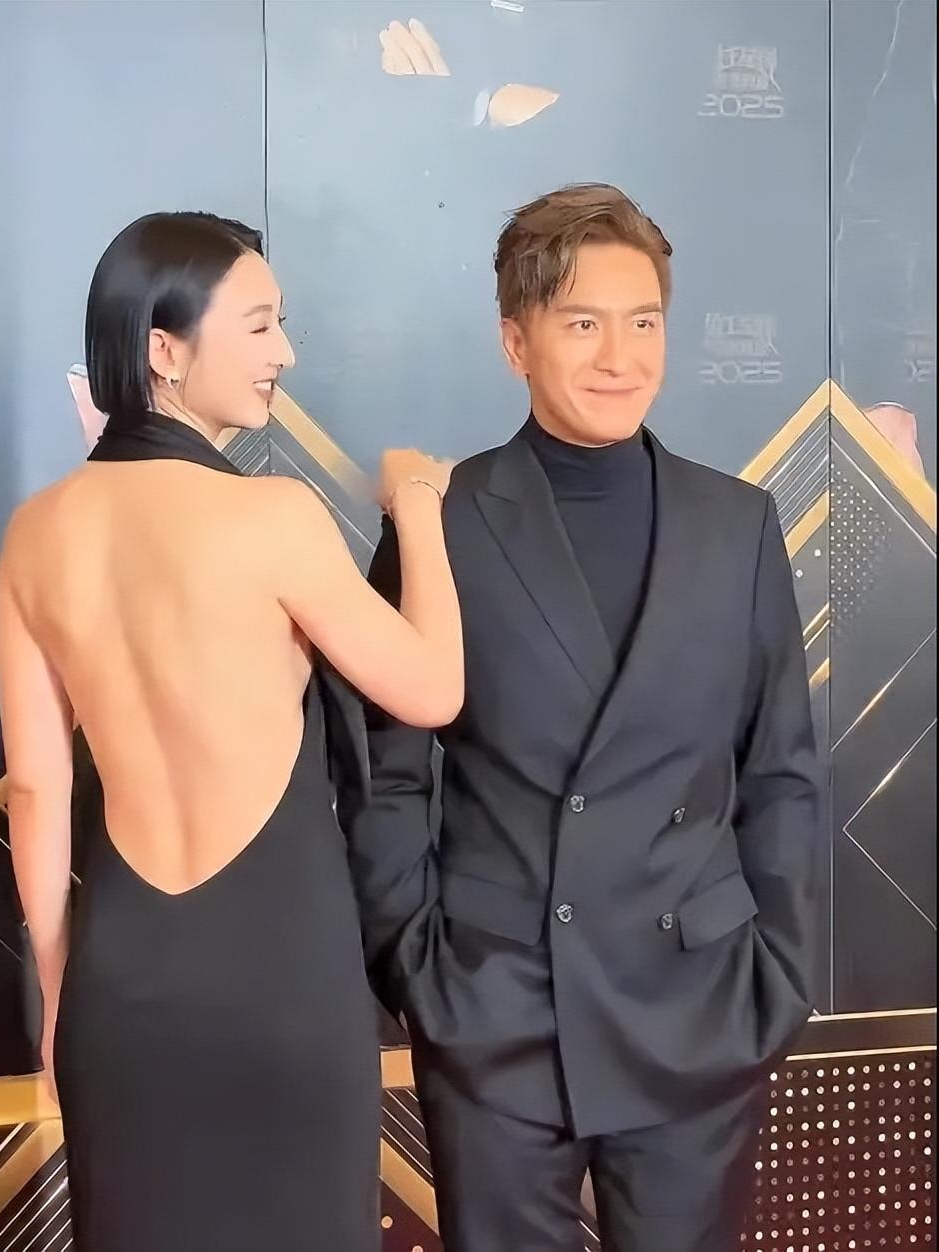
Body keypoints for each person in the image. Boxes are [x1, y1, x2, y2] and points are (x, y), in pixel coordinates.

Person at [349, 183, 822, 1252]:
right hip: (499, 1008)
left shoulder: (738, 524)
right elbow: (388, 773)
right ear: (514, 342)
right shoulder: (444, 522)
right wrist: (420, 970)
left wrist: (777, 980)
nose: (620, 356)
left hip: (699, 1007)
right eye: (581, 325)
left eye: (642, 322)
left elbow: (781, 771)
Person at [0, 210, 463, 1252]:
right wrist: (422, 505)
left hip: (122, 987)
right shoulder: (274, 518)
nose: (283, 352)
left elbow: (36, 789)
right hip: (282, 982)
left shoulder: (34, 535)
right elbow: (431, 689)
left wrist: (60, 989)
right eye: (257, 326)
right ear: (164, 351)